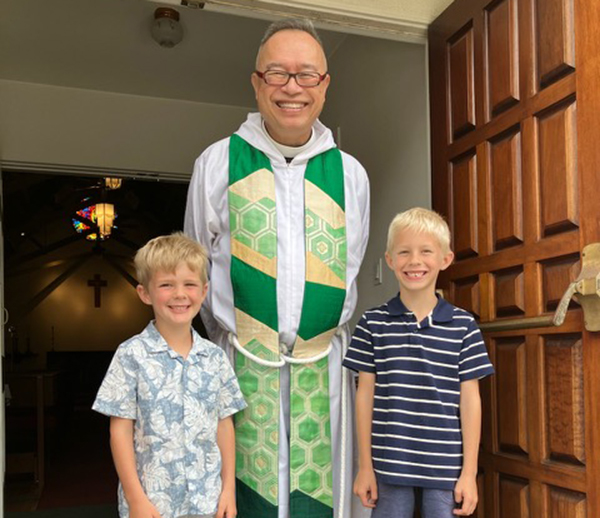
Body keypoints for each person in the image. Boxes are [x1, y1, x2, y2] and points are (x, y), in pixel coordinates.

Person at [184, 18, 370, 518]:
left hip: (322, 369)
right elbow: (195, 268)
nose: (293, 87)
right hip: (242, 365)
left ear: (325, 86)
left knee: (322, 499)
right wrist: (237, 339)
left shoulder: (350, 175)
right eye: (277, 73)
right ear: (256, 82)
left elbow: (351, 264)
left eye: (307, 74)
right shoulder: (218, 162)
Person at [343, 208, 494, 518]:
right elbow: (364, 396)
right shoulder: (372, 324)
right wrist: (365, 467)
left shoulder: (464, 326)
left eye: (426, 251)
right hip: (389, 467)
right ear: (389, 260)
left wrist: (469, 473)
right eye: (404, 252)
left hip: (444, 470)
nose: (414, 261)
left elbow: (470, 400)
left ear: (445, 259)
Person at [92, 233, 247, 518]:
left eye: (189, 284)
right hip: (152, 505)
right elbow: (120, 431)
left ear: (204, 291)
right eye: (166, 285)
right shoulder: (130, 355)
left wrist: (228, 491)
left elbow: (224, 426)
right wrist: (135, 499)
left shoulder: (215, 358)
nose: (179, 294)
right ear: (145, 293)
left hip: (208, 502)